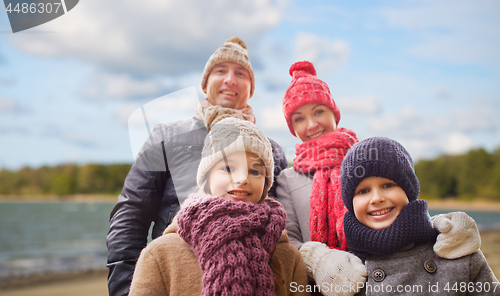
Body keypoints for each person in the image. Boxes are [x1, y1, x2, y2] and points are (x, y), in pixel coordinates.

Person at [276, 61, 482, 296]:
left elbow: (403, 208)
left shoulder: (368, 157)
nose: (311, 124)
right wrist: (319, 260)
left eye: (318, 111)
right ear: (292, 127)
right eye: (299, 118)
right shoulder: (287, 179)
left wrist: (443, 228)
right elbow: (287, 240)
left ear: (334, 112)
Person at [106, 37, 288, 296]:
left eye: (240, 73)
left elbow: (281, 220)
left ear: (251, 88)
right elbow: (131, 212)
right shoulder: (165, 136)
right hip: (177, 276)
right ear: (205, 83)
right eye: (220, 71)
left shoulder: (271, 150)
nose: (230, 79)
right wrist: (128, 288)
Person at [128, 117, 310, 296]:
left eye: (255, 171)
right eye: (228, 168)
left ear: (266, 185)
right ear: (207, 179)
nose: (242, 179)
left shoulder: (289, 257)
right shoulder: (160, 255)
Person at [341, 137, 499, 295]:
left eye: (387, 185)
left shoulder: (456, 252)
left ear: (408, 191)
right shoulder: (343, 271)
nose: (376, 198)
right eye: (363, 191)